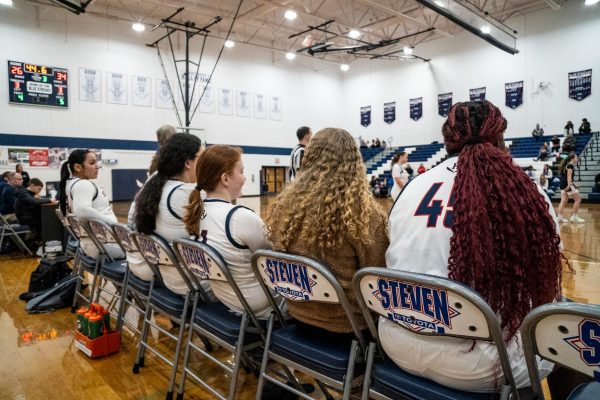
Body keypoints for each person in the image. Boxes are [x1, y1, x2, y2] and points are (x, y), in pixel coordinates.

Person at [381, 101, 564, 393]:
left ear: (448, 140)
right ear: (500, 137)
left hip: (397, 343)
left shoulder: (411, 188)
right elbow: (546, 276)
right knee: (565, 322)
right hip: (481, 366)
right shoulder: (526, 191)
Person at [266, 128, 388, 333]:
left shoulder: (283, 209)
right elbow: (379, 277)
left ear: (309, 158)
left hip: (298, 315)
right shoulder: (364, 216)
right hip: (349, 326)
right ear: (354, 163)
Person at [182, 145, 285, 318]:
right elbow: (276, 256)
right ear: (225, 179)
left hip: (226, 297)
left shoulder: (197, 211)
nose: (244, 178)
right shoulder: (239, 218)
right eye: (242, 171)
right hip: (260, 305)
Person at [134, 133, 211, 296]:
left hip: (172, 278)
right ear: (188, 163)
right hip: (193, 282)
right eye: (202, 157)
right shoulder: (186, 192)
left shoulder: (156, 183)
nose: (205, 163)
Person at [59, 149, 123, 259]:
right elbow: (82, 211)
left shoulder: (71, 183)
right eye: (92, 163)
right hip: (103, 246)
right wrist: (113, 223)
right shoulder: (83, 184)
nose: (97, 166)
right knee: (143, 254)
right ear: (78, 167)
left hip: (93, 244)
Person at [556, 152, 584, 223]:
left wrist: (574, 185)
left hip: (563, 184)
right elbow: (569, 176)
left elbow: (566, 177)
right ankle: (574, 217)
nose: (577, 159)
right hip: (567, 184)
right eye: (576, 157)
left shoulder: (566, 164)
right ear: (572, 158)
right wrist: (569, 185)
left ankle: (559, 218)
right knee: (578, 200)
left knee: (563, 201)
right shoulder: (570, 165)